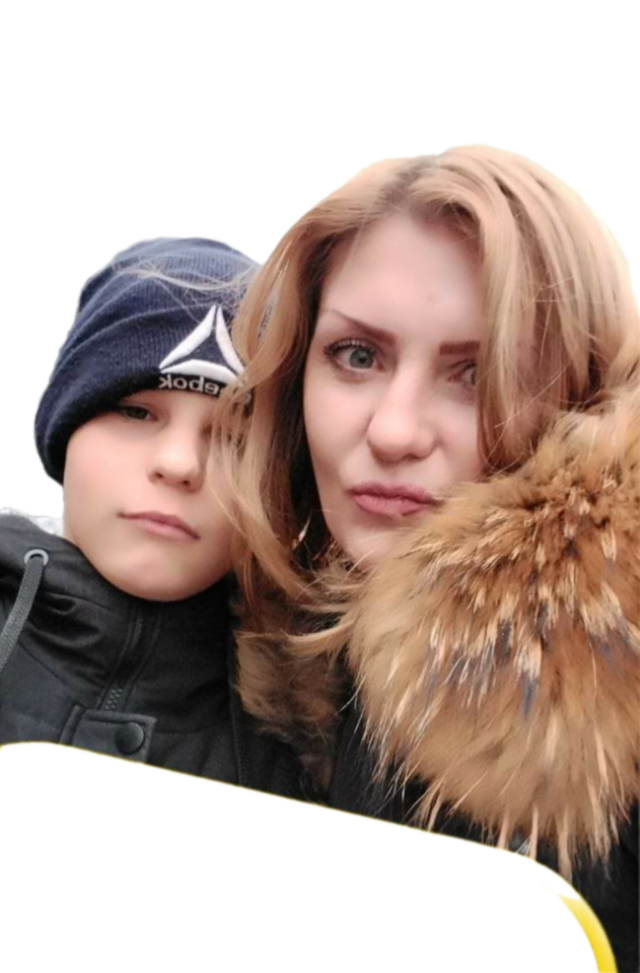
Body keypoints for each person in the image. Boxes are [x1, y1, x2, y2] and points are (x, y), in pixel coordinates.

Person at [218, 145, 640, 968]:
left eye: (474, 372)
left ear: (580, 392)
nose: (394, 430)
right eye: (357, 355)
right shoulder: (286, 662)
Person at [0, 234, 303, 797]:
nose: (180, 464)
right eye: (136, 412)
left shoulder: (314, 737)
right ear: (64, 428)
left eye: (234, 439)